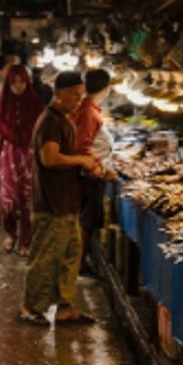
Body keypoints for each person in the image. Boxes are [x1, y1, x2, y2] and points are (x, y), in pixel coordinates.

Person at [20, 71, 99, 325]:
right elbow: (49, 158)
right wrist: (82, 160)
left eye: (81, 95)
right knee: (45, 257)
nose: (78, 100)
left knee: (70, 255)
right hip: (52, 203)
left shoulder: (64, 119)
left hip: (67, 201)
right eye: (73, 95)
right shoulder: (50, 121)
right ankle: (30, 307)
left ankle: (65, 307)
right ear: (58, 94)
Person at [0, 65, 46, 256]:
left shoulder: (37, 107)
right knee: (8, 200)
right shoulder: (2, 109)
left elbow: (43, 136)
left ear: (27, 82)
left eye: (22, 82)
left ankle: (26, 240)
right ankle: (10, 233)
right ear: (8, 84)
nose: (18, 86)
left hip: (30, 159)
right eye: (14, 82)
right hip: (8, 159)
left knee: (28, 201)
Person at [73, 69, 117, 274]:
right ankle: (78, 265)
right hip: (88, 175)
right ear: (106, 89)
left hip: (89, 173)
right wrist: (99, 168)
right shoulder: (89, 112)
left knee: (86, 221)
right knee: (86, 222)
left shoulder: (88, 108)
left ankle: (80, 262)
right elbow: (81, 147)